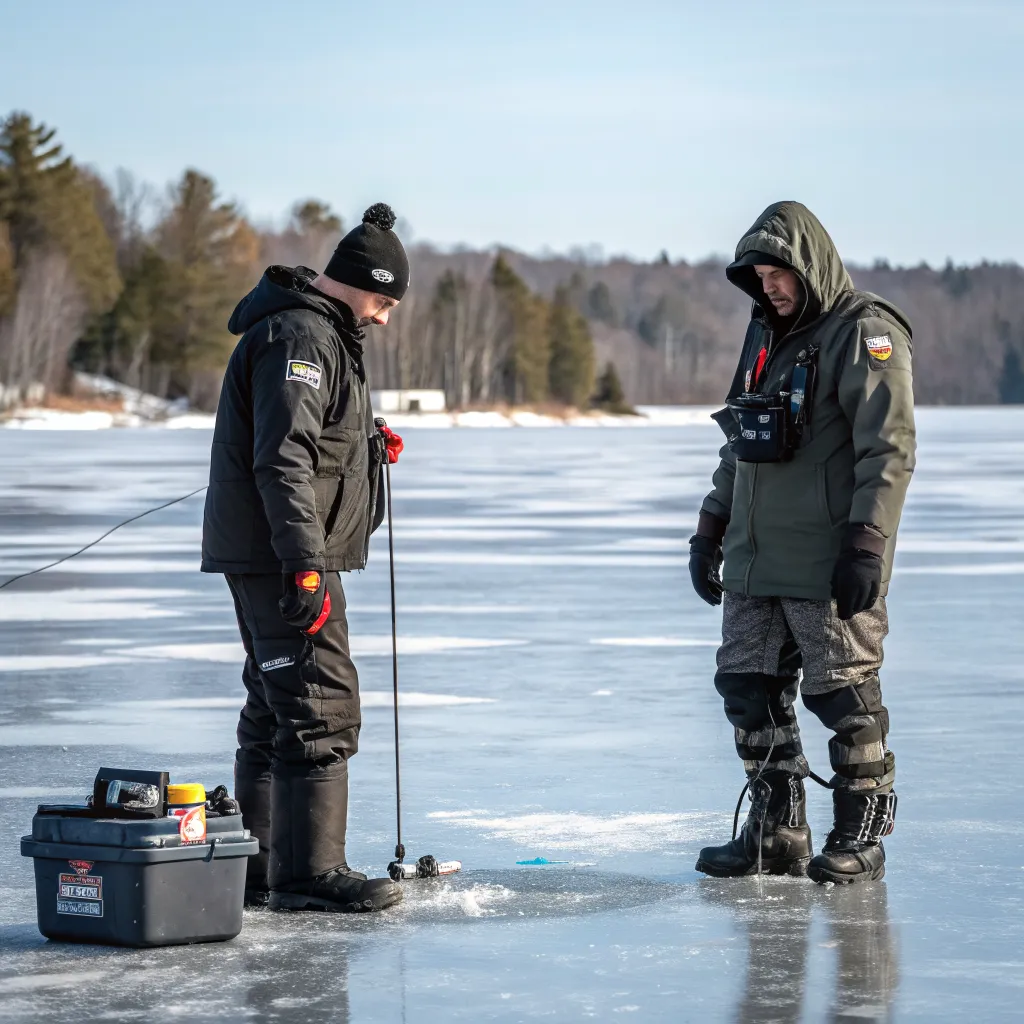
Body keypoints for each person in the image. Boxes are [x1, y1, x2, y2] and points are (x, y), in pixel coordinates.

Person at [689, 201, 915, 885]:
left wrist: (868, 540)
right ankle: (777, 832)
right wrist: (711, 526)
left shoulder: (864, 332)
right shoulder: (766, 335)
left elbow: (888, 446)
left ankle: (862, 836)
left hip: (825, 559)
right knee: (746, 689)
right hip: (756, 559)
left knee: (843, 696)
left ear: (808, 265)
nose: (769, 287)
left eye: (779, 273)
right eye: (758, 276)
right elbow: (743, 442)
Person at [201, 203, 408, 912]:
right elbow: (283, 459)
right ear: (355, 283)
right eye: (383, 300)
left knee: (274, 699)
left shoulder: (317, 331)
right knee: (322, 704)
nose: (384, 317)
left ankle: (257, 868)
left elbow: (308, 441)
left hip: (275, 551)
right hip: (283, 555)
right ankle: (308, 873)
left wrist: (366, 445)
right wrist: (305, 565)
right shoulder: (301, 336)